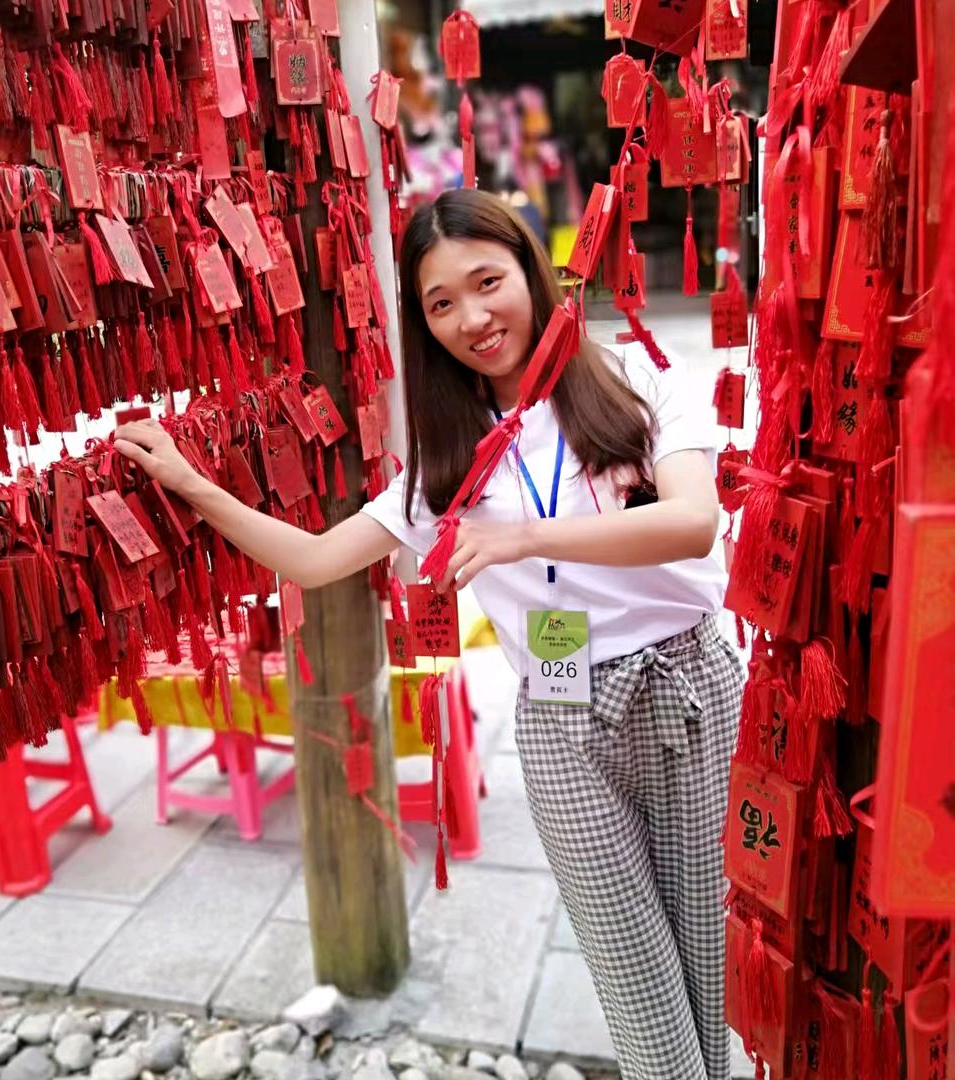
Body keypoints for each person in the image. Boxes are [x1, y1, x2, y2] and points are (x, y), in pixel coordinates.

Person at [114, 188, 742, 1080]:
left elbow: (692, 525)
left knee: (713, 979)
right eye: (441, 303)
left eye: (489, 282)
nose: (473, 319)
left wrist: (520, 537)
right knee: (639, 997)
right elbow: (318, 559)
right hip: (564, 725)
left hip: (691, 694)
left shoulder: (645, 385)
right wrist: (193, 485)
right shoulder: (448, 465)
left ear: (533, 271)